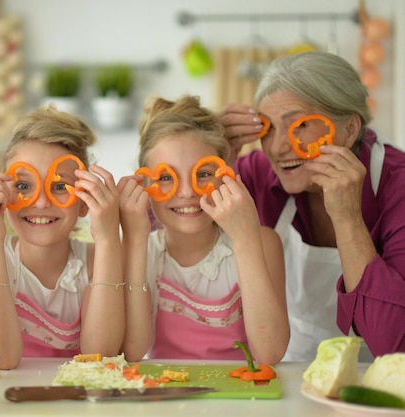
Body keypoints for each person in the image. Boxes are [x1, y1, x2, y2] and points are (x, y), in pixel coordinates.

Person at [219, 51, 405, 361]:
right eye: (268, 129)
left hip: (383, 383)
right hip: (290, 371)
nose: (278, 148)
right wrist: (213, 155)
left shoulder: (398, 188)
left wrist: (347, 219)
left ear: (350, 129)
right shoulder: (258, 175)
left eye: (301, 126)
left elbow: (395, 348)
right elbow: (172, 236)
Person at [118, 94, 289, 364]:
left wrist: (244, 239)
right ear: (144, 184)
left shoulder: (262, 243)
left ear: (228, 176)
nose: (186, 192)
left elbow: (270, 353)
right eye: (166, 177)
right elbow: (133, 351)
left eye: (203, 174)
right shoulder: (140, 251)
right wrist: (135, 239)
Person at [0, 104, 124, 369]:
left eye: (60, 186)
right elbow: (0, 358)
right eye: (24, 185)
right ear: (3, 193)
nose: (40, 202)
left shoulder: (100, 260)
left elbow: (101, 355)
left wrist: (108, 238)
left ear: (84, 201)